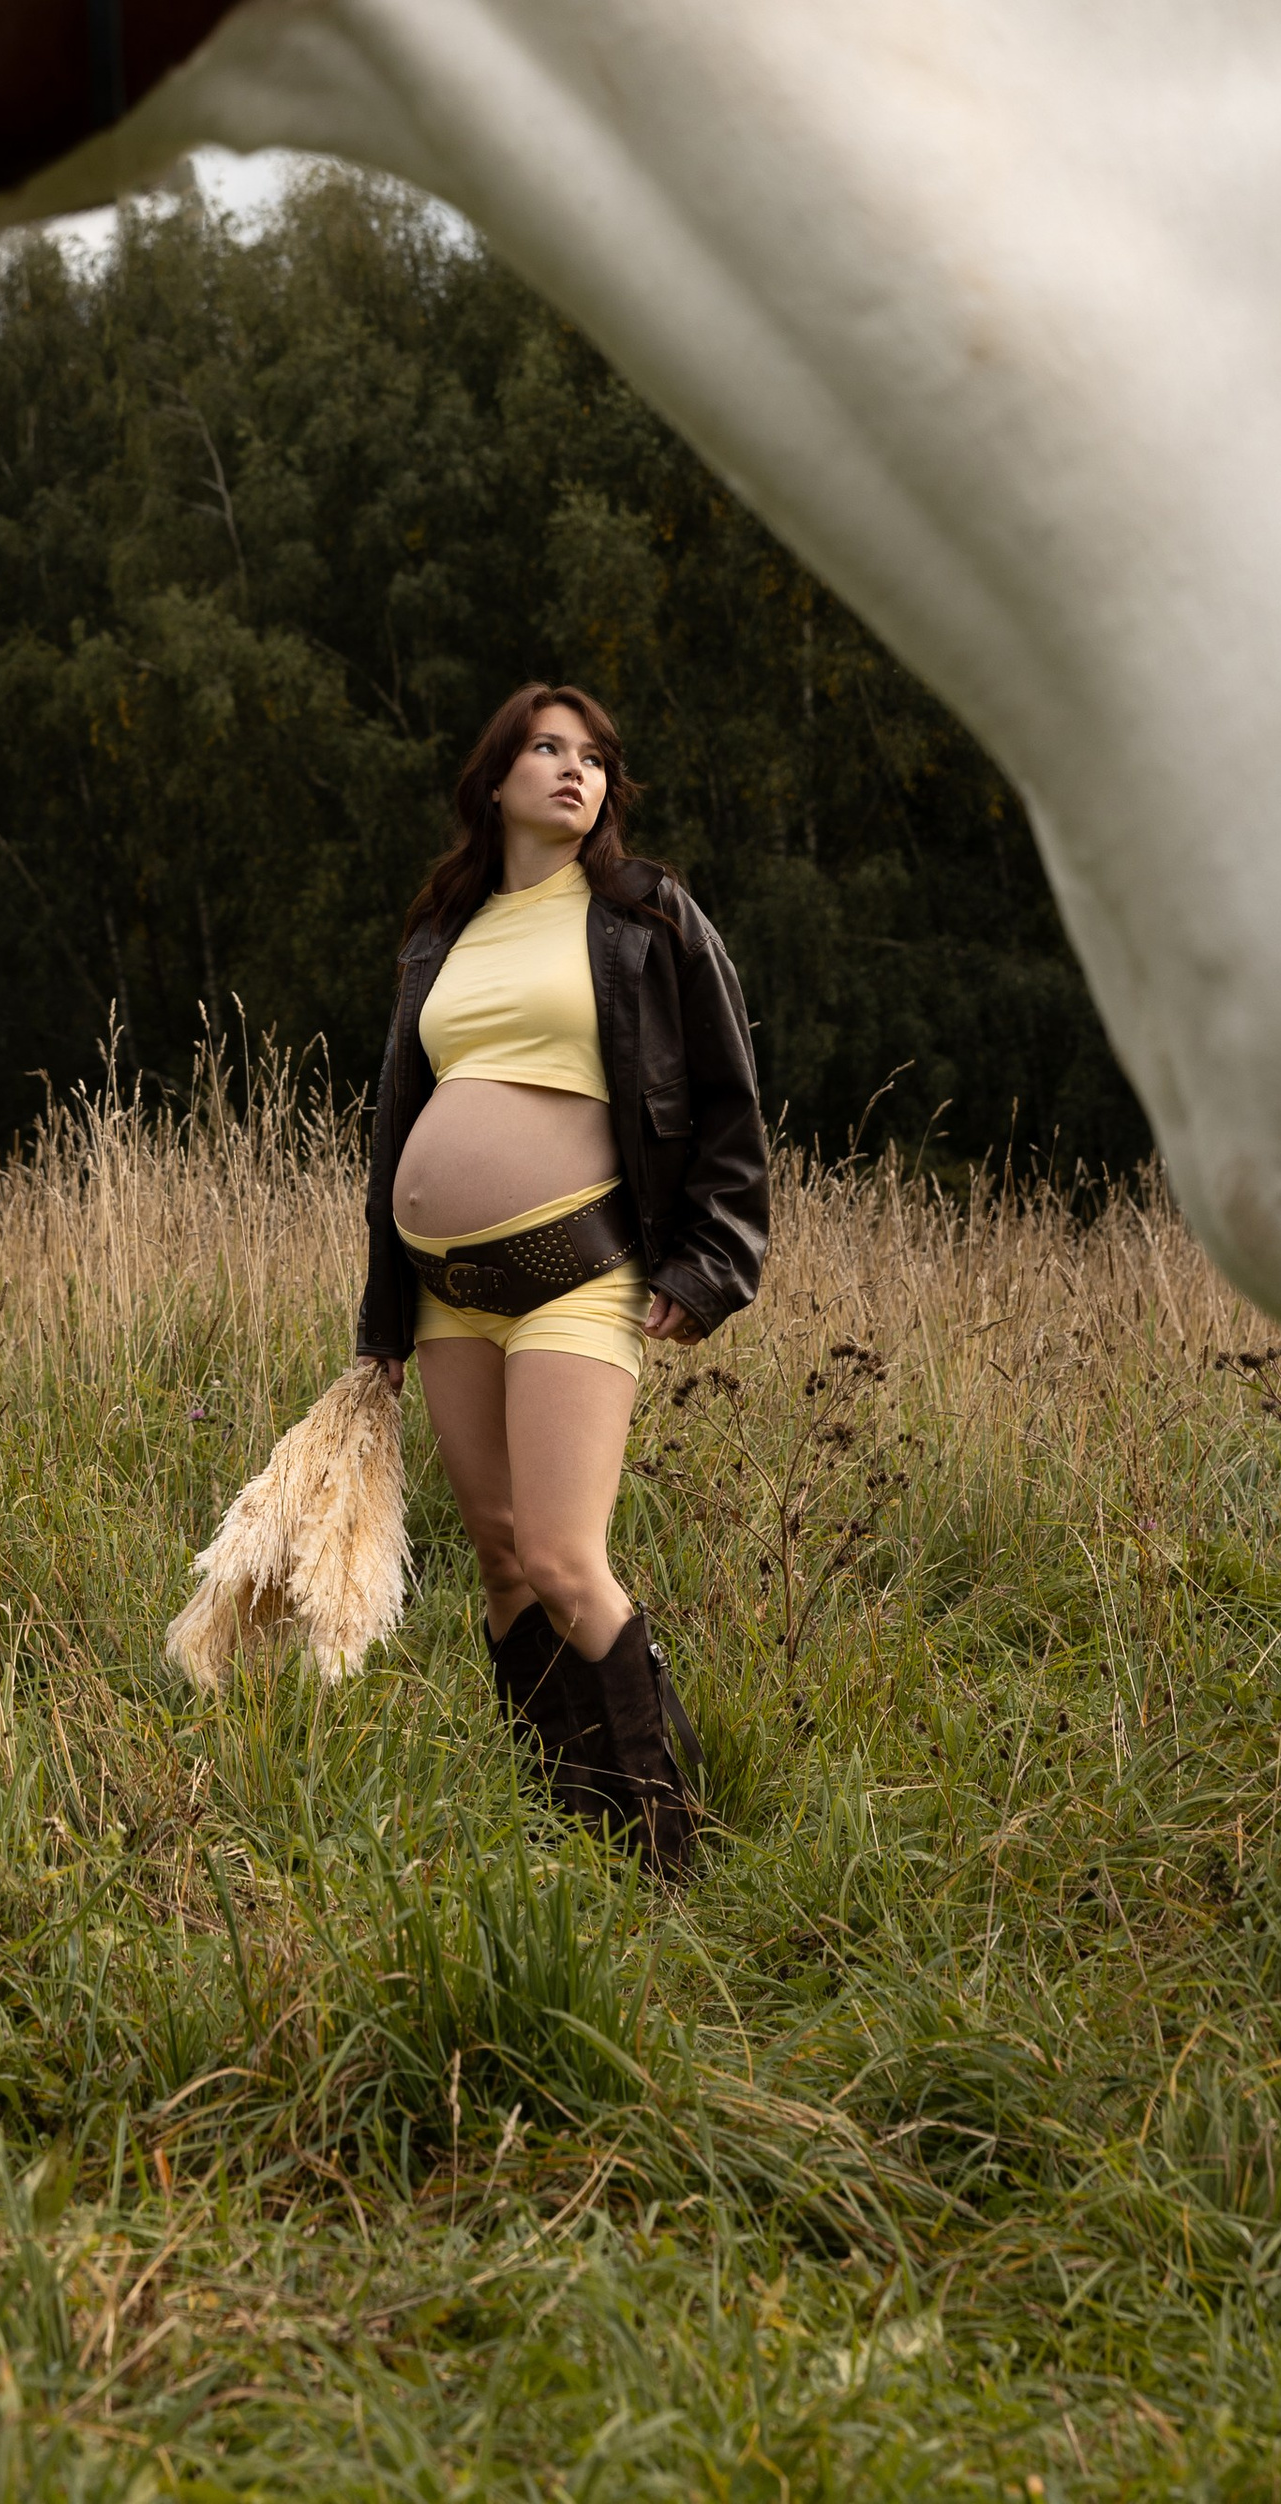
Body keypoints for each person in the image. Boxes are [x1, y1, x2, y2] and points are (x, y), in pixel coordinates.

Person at [359, 683, 769, 1871]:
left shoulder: (645, 917)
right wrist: (382, 1313)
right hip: (445, 1290)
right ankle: (563, 1823)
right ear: (496, 781)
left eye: (592, 756)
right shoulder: (444, 932)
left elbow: (730, 1098)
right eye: (546, 749)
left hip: (578, 1272)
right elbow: (400, 1124)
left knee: (559, 1559)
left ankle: (667, 1850)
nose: (573, 770)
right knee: (493, 1554)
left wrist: (707, 1266)